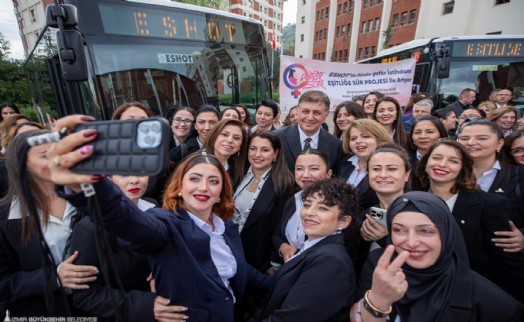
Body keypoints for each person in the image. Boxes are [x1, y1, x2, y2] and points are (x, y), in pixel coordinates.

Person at [47, 119, 272, 321]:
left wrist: (290, 283)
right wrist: (87, 186)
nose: (203, 187)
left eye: (213, 181)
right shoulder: (165, 222)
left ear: (222, 191)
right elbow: (129, 222)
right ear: (180, 188)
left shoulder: (225, 226)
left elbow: (240, 269)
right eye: (194, 179)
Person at [353, 191, 524, 322]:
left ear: (447, 233)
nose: (411, 242)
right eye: (399, 230)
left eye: (426, 231)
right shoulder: (379, 266)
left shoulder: (495, 305)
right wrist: (378, 302)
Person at [0, 130, 98, 317]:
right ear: (22, 165)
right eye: (46, 155)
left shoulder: (89, 195)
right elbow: (3, 284)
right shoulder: (5, 216)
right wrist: (54, 276)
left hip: (98, 304)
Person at [417, 140, 524, 302]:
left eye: (453, 161)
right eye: (436, 158)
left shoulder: (489, 205)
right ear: (425, 164)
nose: (442, 164)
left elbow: (507, 265)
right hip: (422, 294)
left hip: (472, 298)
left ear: (463, 168)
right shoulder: (411, 200)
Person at [69, 174, 173, 321]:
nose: (134, 180)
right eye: (124, 174)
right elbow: (85, 295)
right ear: (107, 179)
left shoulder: (154, 206)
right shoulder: (89, 228)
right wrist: (147, 305)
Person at [251, 179, 357, 321]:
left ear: (343, 221)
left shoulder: (331, 262)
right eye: (307, 205)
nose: (309, 213)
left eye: (323, 208)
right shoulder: (314, 246)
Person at [457, 119, 524, 251]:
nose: (470, 143)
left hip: (506, 260)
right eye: (464, 138)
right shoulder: (449, 172)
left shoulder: (519, 174)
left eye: (481, 138)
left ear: (499, 143)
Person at [233, 131, 294, 273]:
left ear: (276, 153)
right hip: (230, 248)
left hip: (258, 258)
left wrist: (273, 262)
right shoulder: (238, 173)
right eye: (253, 148)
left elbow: (281, 226)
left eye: (265, 150)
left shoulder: (283, 183)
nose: (257, 154)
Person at [357, 143, 411, 270]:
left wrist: (386, 238)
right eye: (376, 169)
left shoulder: (420, 213)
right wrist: (362, 239)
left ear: (407, 174)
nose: (383, 175)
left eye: (392, 169)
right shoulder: (365, 215)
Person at [273, 149, 333, 263]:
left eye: (314, 168)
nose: (305, 175)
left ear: (328, 174)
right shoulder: (292, 200)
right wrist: (283, 247)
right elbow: (276, 235)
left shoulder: (335, 207)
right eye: (300, 169)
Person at [276, 90, 342, 173]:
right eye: (305, 111)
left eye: (317, 113)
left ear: (326, 115)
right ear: (298, 111)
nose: (310, 117)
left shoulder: (336, 145)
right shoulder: (277, 138)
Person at [339, 119, 393, 211]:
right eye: (353, 138)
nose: (358, 141)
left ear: (379, 139)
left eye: (365, 136)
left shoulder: (390, 167)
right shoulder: (346, 163)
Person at [201, 118, 248, 189]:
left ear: (240, 146)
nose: (229, 140)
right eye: (225, 135)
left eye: (236, 138)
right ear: (214, 136)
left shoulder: (235, 171)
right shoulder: (194, 162)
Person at [407, 116, 447, 183]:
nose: (423, 136)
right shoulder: (404, 159)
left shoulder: (450, 158)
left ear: (441, 135)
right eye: (417, 132)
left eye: (430, 132)